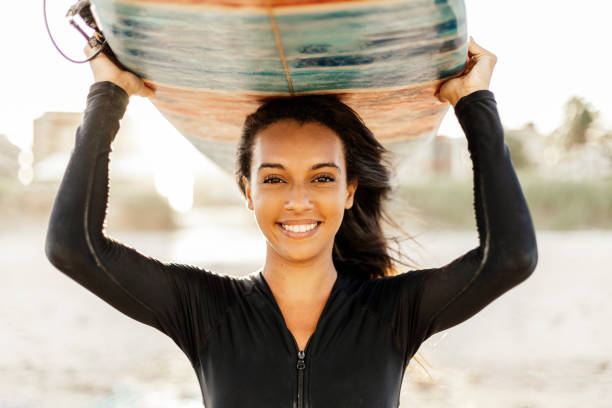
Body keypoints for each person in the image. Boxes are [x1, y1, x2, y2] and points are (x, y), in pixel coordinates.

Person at [45, 36, 538, 407]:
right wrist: (108, 94)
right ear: (247, 191)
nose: (298, 201)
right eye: (275, 179)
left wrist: (473, 103)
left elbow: (510, 258)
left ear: (349, 192)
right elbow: (73, 247)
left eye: (322, 179)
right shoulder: (207, 311)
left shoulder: (391, 313)